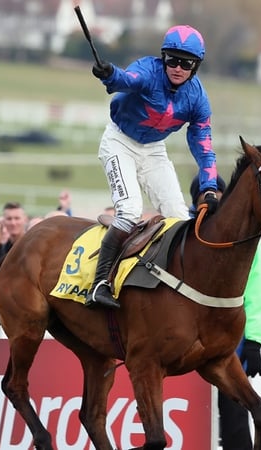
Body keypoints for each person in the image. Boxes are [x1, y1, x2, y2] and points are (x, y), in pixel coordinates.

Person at [86, 24, 217, 309]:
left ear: (196, 66)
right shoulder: (148, 69)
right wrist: (110, 74)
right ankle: (99, 283)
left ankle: (176, 284)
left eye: (186, 63)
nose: (178, 68)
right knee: (131, 209)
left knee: (179, 216)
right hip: (119, 142)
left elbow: (204, 147)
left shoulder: (198, 99)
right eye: (172, 60)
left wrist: (209, 187)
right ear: (163, 58)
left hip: (154, 151)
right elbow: (127, 80)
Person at [188, 175, 261, 450]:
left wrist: (255, 341)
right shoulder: (182, 232)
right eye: (206, 194)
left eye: (217, 194)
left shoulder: (248, 241)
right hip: (183, 333)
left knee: (233, 405)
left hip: (230, 336)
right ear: (194, 200)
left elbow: (257, 292)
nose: (213, 200)